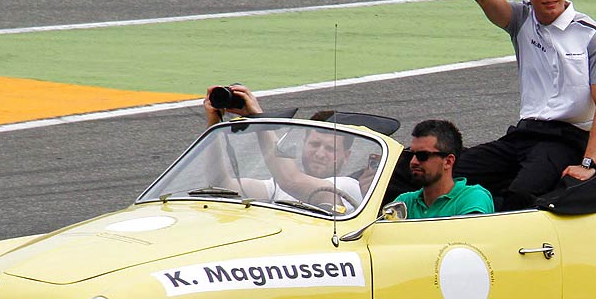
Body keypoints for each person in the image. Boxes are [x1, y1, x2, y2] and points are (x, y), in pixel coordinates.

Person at [456, 0, 596, 210]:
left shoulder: (592, 34)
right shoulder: (520, 19)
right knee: (450, 173)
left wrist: (589, 163)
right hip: (523, 134)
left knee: (521, 195)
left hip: (565, 141)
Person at [201, 84, 365, 211]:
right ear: (304, 145)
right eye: (315, 144)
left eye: (331, 149)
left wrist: (259, 119)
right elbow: (220, 184)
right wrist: (213, 124)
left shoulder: (349, 188)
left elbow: (290, 180)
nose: (320, 154)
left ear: (346, 156)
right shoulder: (277, 187)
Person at [391, 120, 494, 219]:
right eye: (411, 155)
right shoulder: (404, 202)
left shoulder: (472, 198)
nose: (413, 162)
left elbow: (468, 234)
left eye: (422, 155)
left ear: (448, 162)